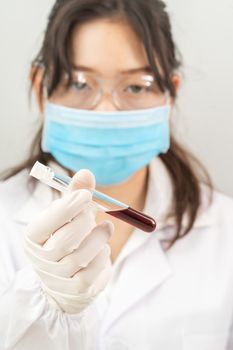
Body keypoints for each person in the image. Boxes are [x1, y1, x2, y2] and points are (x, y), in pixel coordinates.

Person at [0, 0, 233, 349]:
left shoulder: (224, 233)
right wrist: (43, 309)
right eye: (80, 84)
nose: (107, 110)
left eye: (136, 86)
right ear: (40, 88)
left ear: (170, 95)